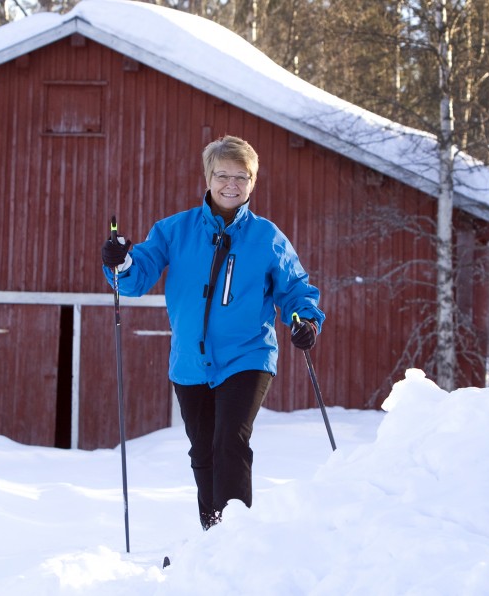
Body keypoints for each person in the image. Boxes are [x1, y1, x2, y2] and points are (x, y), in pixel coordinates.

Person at [101, 135, 325, 530]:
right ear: (208, 177)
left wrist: (305, 320)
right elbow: (135, 280)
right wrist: (119, 261)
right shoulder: (175, 230)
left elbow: (294, 290)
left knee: (230, 444)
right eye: (223, 174)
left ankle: (237, 540)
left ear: (252, 183)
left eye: (242, 176)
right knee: (203, 451)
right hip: (190, 362)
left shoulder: (267, 237)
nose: (231, 184)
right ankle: (214, 537)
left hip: (248, 355)